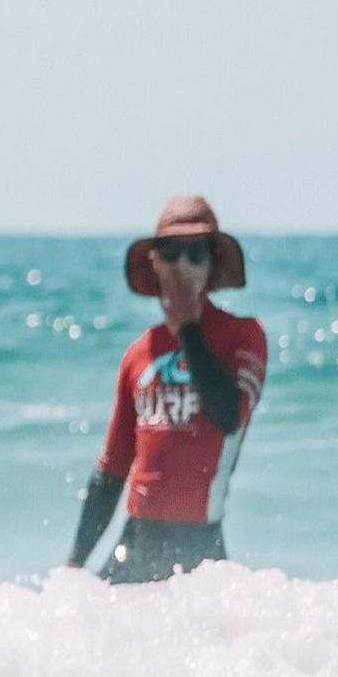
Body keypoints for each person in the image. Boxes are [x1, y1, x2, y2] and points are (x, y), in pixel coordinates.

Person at [67, 195, 269, 583]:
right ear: (154, 262)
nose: (183, 266)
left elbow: (229, 415)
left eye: (196, 254)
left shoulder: (245, 337)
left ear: (212, 263)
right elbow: (111, 469)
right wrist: (73, 567)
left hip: (200, 548)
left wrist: (189, 328)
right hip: (135, 541)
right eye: (172, 253)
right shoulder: (138, 354)